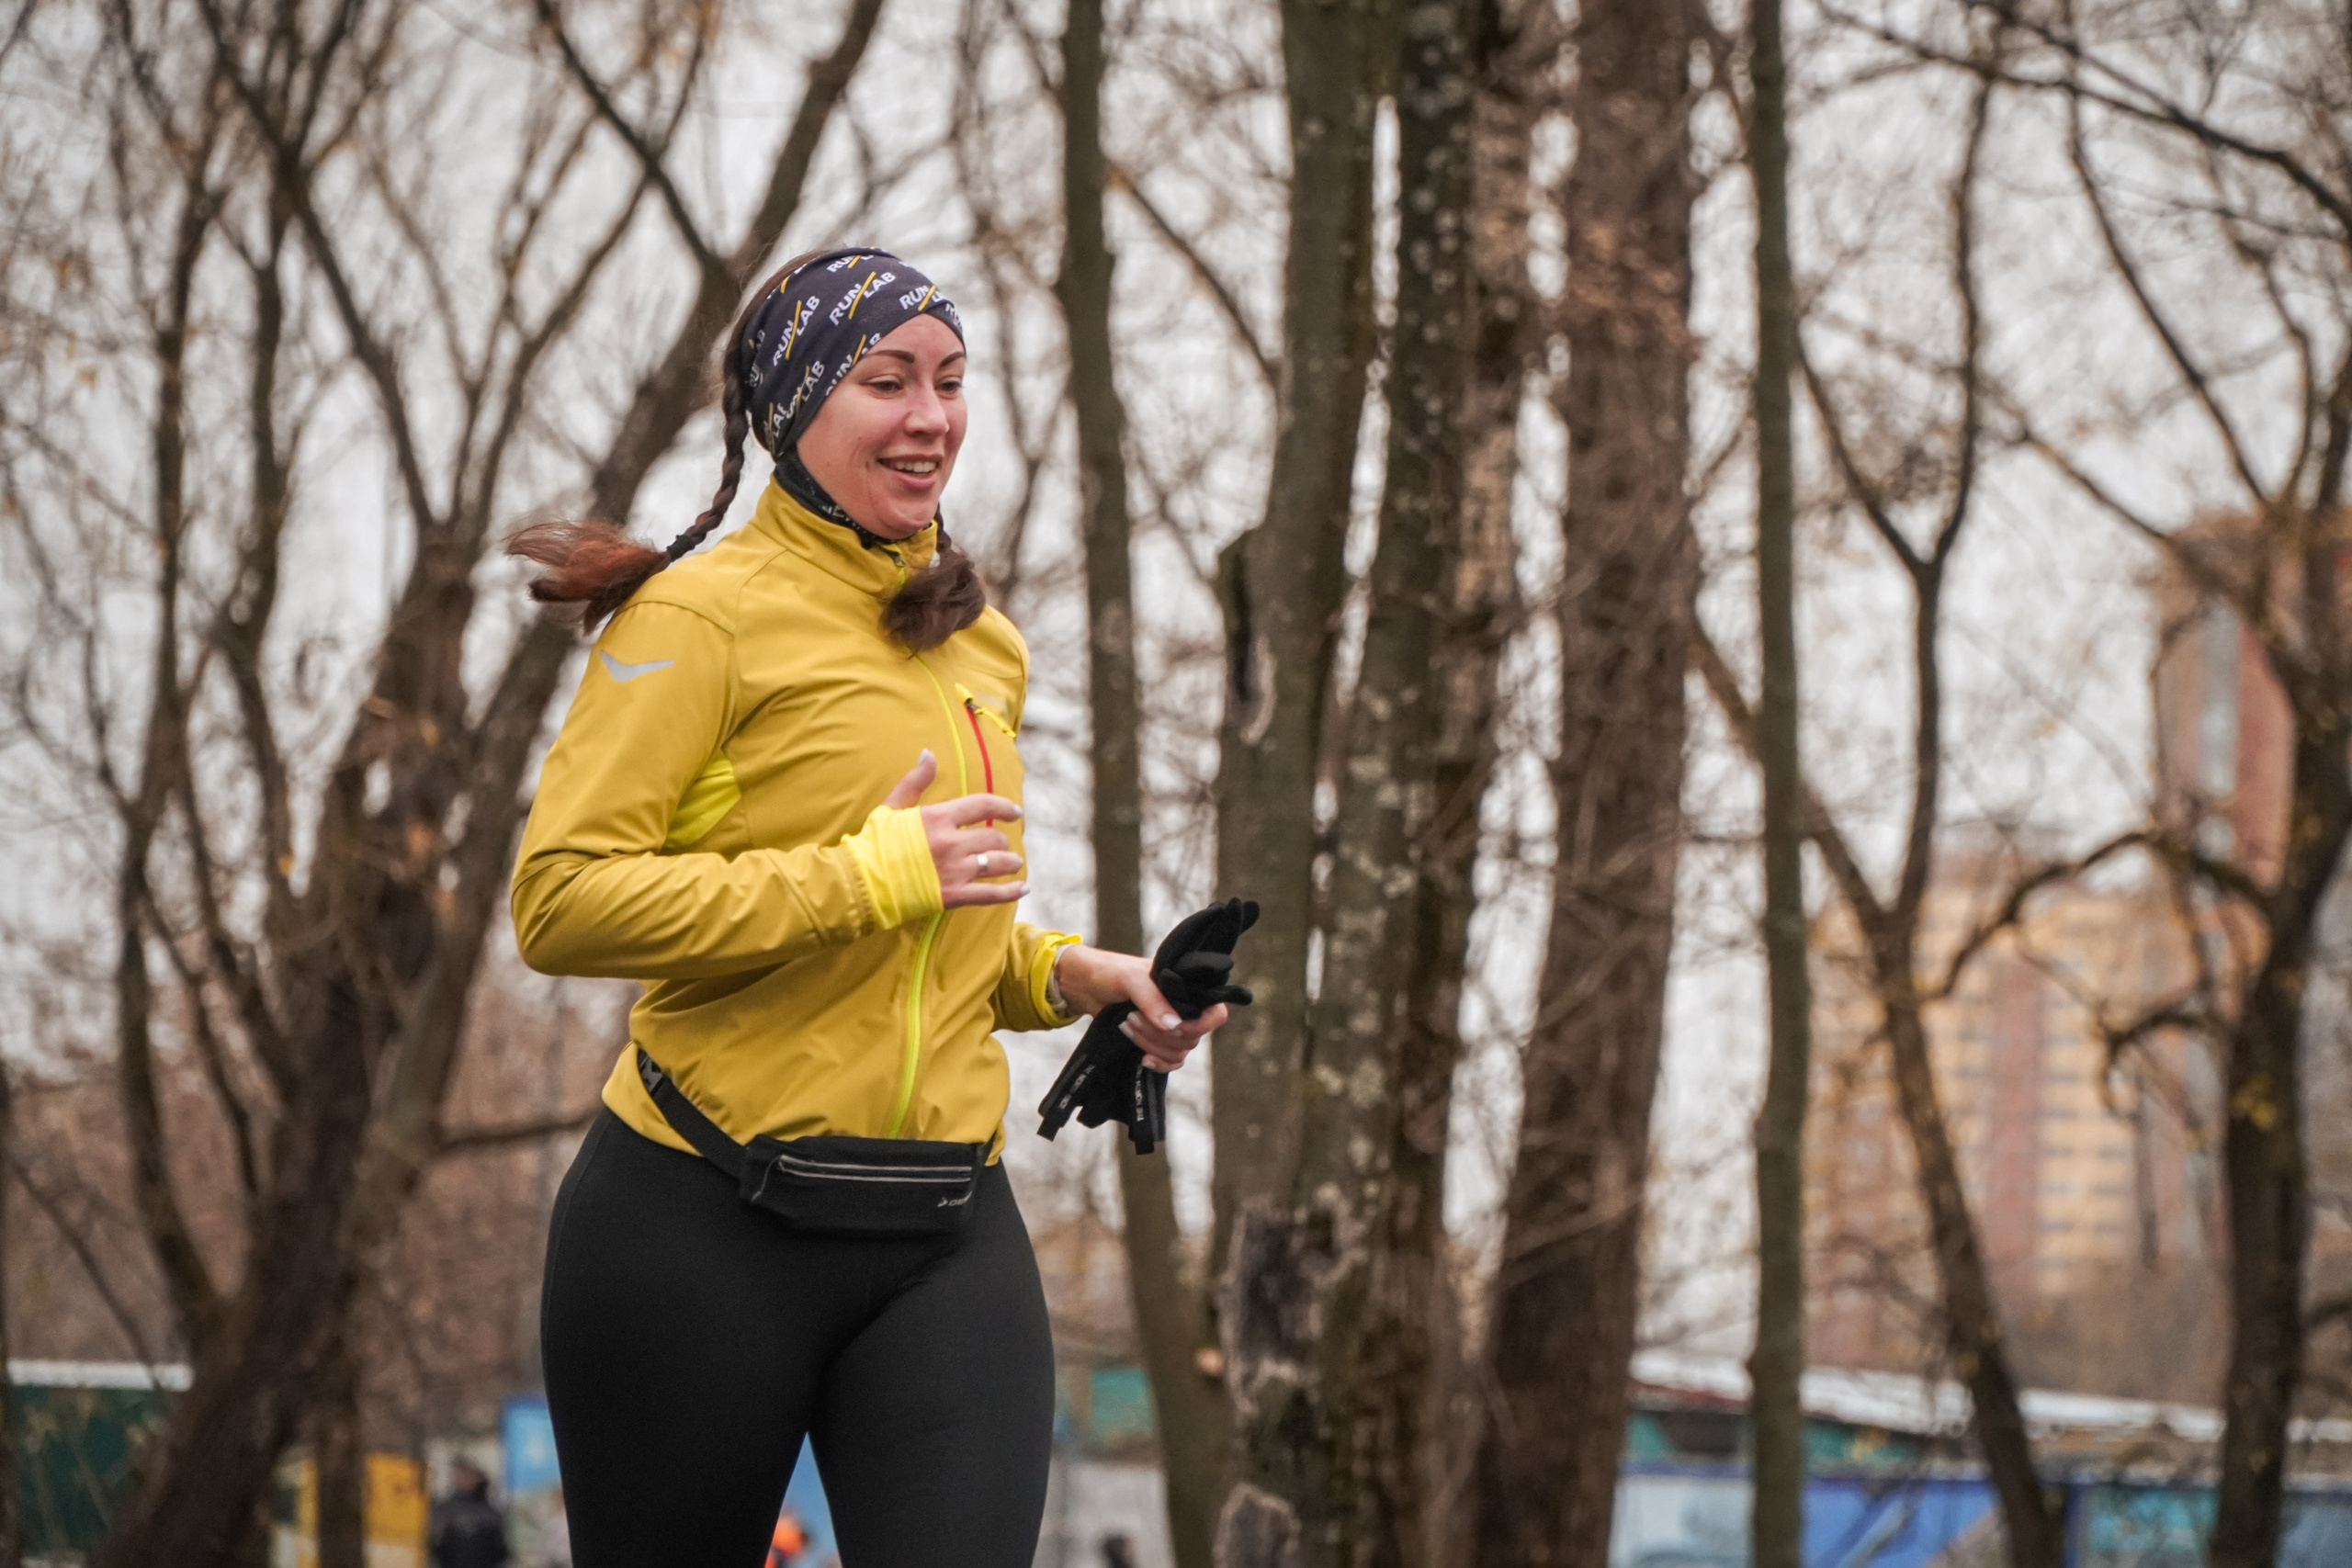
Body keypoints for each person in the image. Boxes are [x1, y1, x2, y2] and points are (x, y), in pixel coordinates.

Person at [507, 248, 1223, 1568]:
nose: (931, 414)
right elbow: (561, 903)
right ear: (792, 408)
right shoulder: (698, 616)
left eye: (951, 381)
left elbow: (933, 934)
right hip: (701, 1213)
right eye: (885, 379)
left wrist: (1077, 973)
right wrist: (865, 872)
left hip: (946, 1226)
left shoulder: (980, 641)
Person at [429, 1461, 510, 1568]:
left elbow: (501, 1550)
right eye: (464, 1476)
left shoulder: (488, 1511)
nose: (466, 1480)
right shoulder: (446, 1510)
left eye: (469, 1476)